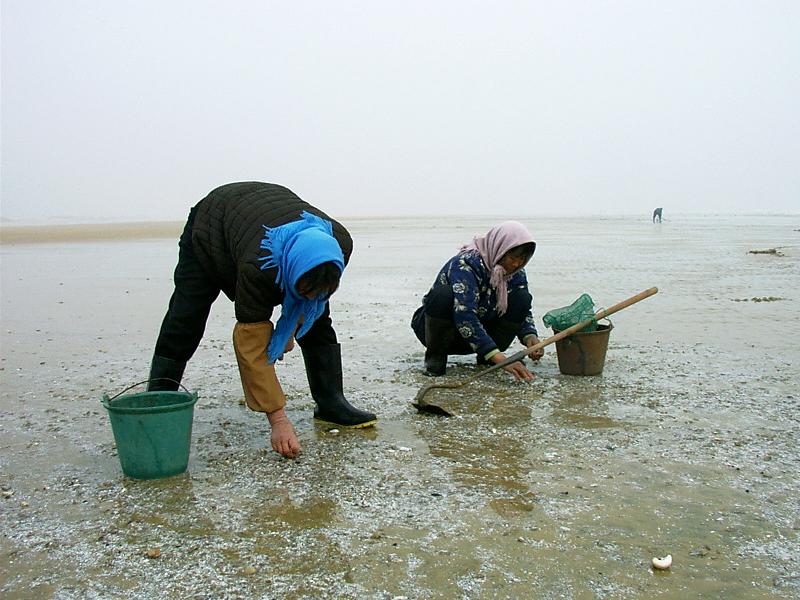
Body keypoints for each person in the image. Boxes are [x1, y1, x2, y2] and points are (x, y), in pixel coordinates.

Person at [147, 181, 377, 460]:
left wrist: (292, 326)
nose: (314, 295)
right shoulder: (258, 267)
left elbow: (314, 298)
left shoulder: (339, 243)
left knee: (317, 320)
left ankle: (331, 402)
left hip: (261, 225)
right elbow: (251, 344)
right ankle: (159, 399)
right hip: (211, 229)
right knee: (186, 316)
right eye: (303, 289)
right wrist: (279, 421)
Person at [411, 221, 544, 381]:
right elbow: (465, 315)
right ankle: (435, 359)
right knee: (442, 295)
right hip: (444, 333)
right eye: (513, 257)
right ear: (500, 249)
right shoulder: (465, 264)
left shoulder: (515, 272)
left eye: (523, 259)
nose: (517, 264)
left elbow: (521, 307)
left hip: (483, 333)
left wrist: (529, 335)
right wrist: (501, 359)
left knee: (522, 297)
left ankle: (488, 357)